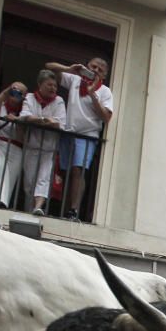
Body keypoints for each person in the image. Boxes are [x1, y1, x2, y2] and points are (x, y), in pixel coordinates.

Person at [45, 57, 114, 221]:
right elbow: (49, 67)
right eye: (93, 66)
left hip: (87, 135)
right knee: (65, 171)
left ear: (104, 76)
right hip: (69, 132)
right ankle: (61, 207)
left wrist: (93, 95)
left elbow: (106, 117)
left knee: (78, 170)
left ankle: (73, 210)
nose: (95, 70)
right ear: (87, 66)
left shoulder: (105, 91)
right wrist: (69, 68)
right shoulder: (75, 80)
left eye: (100, 69)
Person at [19, 70, 66, 216]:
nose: (53, 88)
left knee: (44, 179)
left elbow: (61, 123)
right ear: (40, 84)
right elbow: (24, 116)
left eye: (55, 86)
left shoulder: (59, 101)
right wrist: (44, 120)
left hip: (49, 148)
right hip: (32, 146)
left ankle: (38, 207)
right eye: (49, 85)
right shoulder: (30, 98)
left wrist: (41, 120)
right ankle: (29, 209)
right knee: (29, 182)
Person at [0, 82, 27, 209]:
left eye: (20, 93)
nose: (15, 94)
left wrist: (17, 121)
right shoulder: (1, 106)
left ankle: (3, 203)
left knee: (10, 176)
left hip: (17, 147)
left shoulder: (25, 111)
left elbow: (24, 136)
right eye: (14, 91)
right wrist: (5, 92)